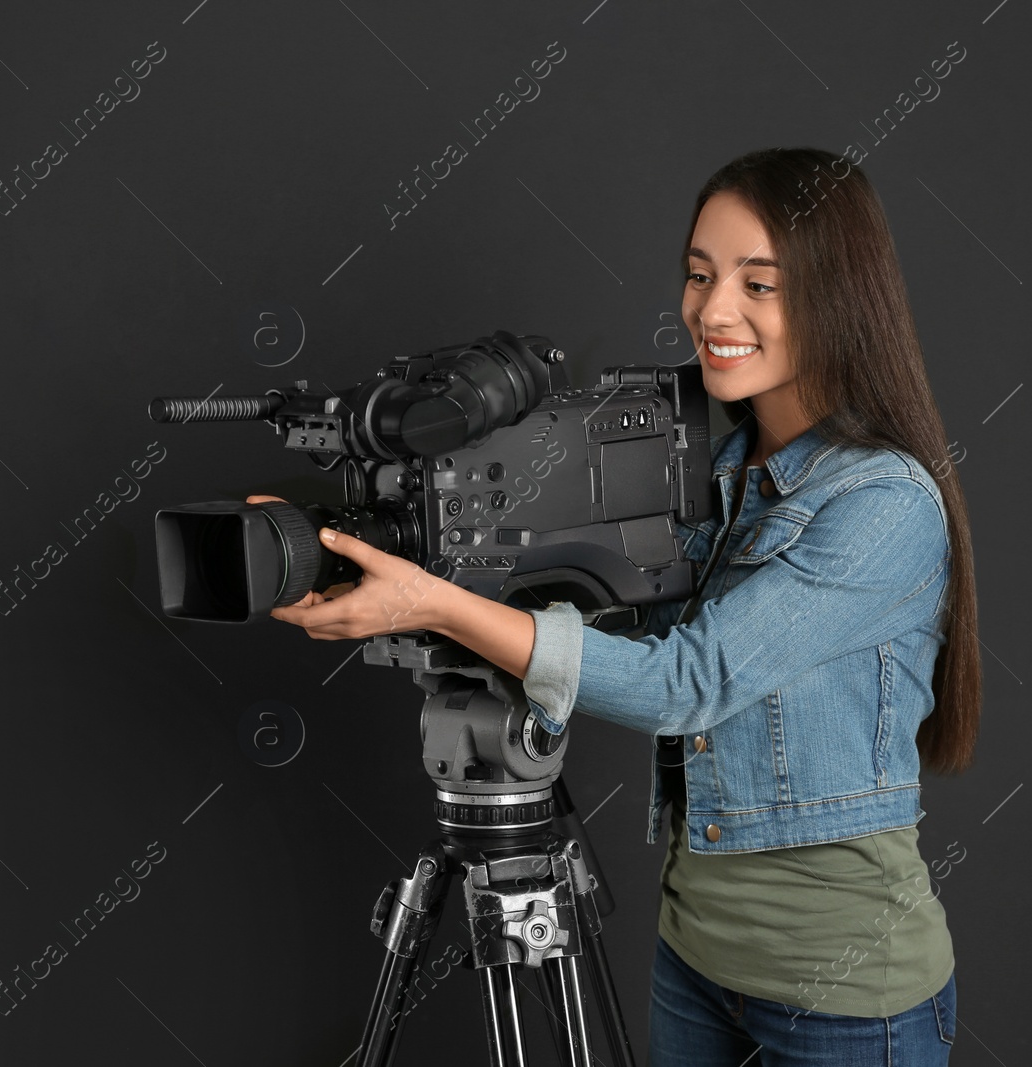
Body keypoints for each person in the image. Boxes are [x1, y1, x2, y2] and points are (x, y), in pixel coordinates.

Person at [257, 145, 982, 1066]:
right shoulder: (716, 473)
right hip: (693, 959)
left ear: (840, 295)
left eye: (759, 285)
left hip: (842, 994)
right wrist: (346, 549)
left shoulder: (884, 505)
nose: (712, 312)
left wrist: (435, 604)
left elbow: (688, 682)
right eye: (698, 275)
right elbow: (625, 625)